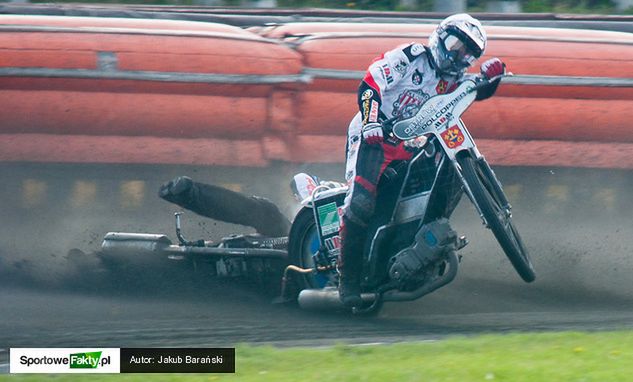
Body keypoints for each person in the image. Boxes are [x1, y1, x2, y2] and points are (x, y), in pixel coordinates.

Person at [338, 13, 507, 308]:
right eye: (456, 45)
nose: (459, 56)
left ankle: (423, 241)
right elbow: (369, 83)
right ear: (440, 37)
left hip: (413, 145)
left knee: (445, 174)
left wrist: (492, 79)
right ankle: (347, 280)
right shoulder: (409, 57)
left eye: (468, 54)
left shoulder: (453, 80)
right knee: (362, 203)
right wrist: (371, 121)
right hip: (374, 138)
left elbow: (474, 92)